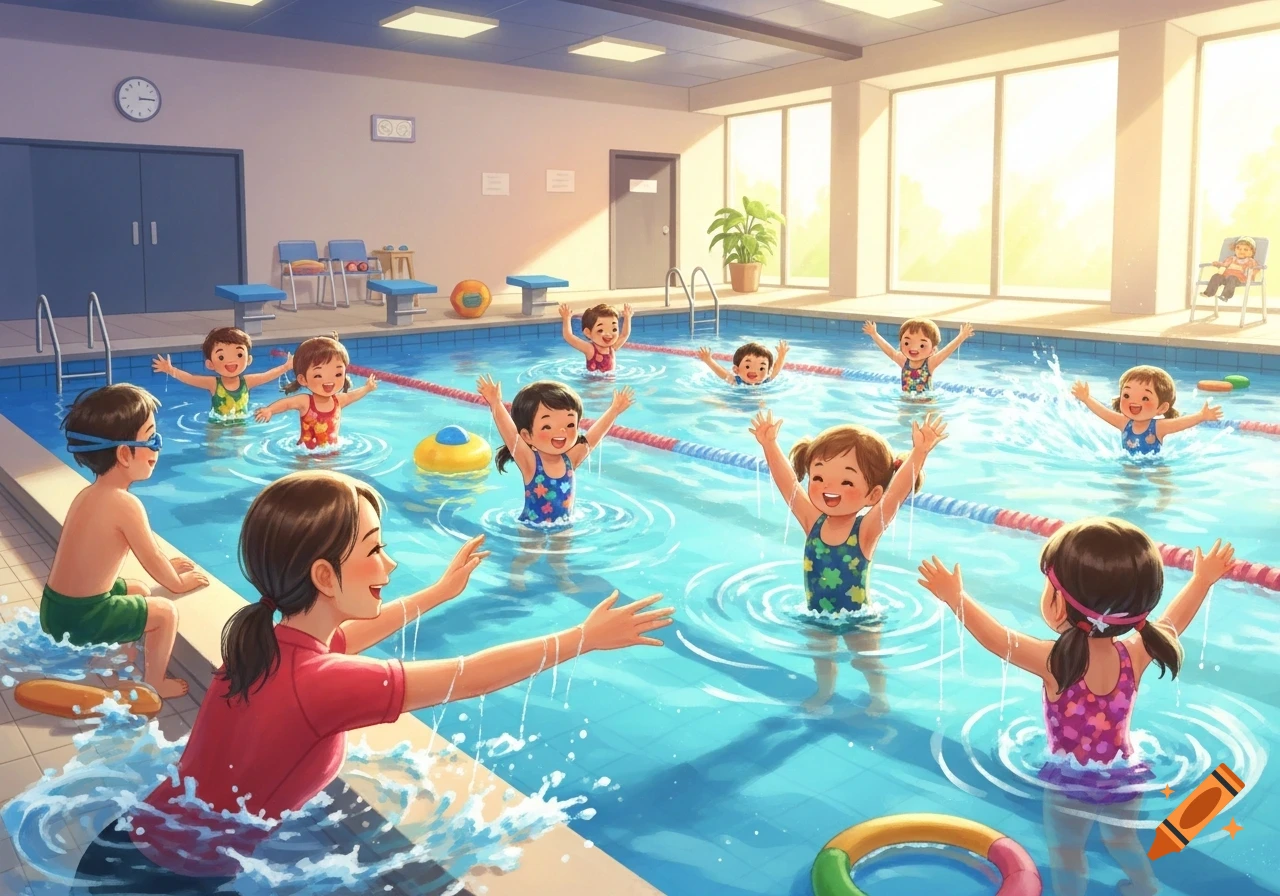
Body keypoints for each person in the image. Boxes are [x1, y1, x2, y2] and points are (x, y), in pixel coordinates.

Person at [72, 470, 673, 892]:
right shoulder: (323, 685)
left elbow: (349, 636)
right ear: (325, 577)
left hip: (127, 846)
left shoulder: (263, 643)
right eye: (375, 550)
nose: (388, 565)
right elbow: (467, 675)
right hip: (163, 884)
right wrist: (582, 639)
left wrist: (439, 593)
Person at [917, 518, 1236, 896]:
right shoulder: (1134, 653)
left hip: (1071, 782)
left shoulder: (1055, 662)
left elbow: (997, 640)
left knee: (1067, 853)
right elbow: (1172, 623)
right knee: (1123, 843)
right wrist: (1202, 580)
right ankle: (1145, 888)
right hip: (1123, 774)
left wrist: (956, 598)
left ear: (1058, 601)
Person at [751, 408, 948, 713]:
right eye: (818, 477)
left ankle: (878, 697)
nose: (829, 489)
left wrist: (919, 453)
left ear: (872, 494)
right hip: (817, 615)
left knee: (866, 661)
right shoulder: (811, 520)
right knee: (821, 658)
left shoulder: (866, 531)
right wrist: (769, 445)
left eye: (846, 482)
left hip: (860, 619)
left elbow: (895, 495)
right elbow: (788, 484)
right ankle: (824, 692)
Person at [42, 385, 208, 700]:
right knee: (165, 612)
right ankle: (155, 682)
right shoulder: (125, 504)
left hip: (57, 610)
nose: (158, 449)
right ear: (123, 453)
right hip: (80, 620)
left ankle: (118, 653)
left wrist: (165, 570)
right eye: (152, 440)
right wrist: (177, 583)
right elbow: (153, 560)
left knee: (139, 590)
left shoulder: (88, 495)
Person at [478, 377, 634, 527]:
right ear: (527, 435)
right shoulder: (530, 462)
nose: (561, 431)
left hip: (564, 525)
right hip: (532, 527)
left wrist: (614, 410)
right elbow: (512, 435)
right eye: (547, 426)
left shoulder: (570, 460)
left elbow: (593, 437)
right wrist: (496, 403)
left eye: (570, 424)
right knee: (529, 555)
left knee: (561, 554)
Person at [254, 333, 377, 451]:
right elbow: (287, 404)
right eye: (318, 375)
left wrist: (367, 388)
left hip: (332, 451)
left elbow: (352, 396)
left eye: (338, 374)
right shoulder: (306, 402)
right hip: (306, 453)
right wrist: (270, 410)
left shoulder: (338, 401)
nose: (329, 380)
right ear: (303, 379)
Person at [1071, 366, 1222, 457]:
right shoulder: (1124, 423)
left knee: (1163, 482)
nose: (1134, 402)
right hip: (1130, 465)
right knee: (1125, 485)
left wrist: (1201, 416)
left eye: (1145, 398)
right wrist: (1086, 399)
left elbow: (1180, 423)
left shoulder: (1157, 427)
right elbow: (1103, 412)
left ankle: (1164, 500)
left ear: (1162, 408)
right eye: (1127, 395)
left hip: (1155, 466)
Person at [151, 327, 292, 422]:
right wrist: (171, 370)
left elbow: (267, 375)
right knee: (215, 449)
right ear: (210, 364)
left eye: (238, 354)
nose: (231, 361)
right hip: (217, 423)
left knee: (238, 450)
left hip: (240, 423)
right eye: (221, 357)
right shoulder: (213, 384)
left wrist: (286, 366)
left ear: (248, 360)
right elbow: (191, 379)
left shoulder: (247, 382)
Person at [863, 319, 975, 397]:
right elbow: (889, 351)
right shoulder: (903, 361)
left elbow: (947, 351)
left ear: (933, 350)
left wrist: (961, 337)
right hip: (906, 400)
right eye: (907, 343)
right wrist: (874, 334)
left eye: (922, 345)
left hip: (926, 402)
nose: (914, 348)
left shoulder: (930, 364)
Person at [558, 303, 633, 373]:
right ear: (588, 332)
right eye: (600, 330)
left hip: (610, 381)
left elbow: (624, 335)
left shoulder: (612, 348)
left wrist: (627, 318)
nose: (608, 334)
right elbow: (569, 336)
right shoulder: (590, 349)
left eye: (614, 329)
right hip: (593, 383)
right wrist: (566, 318)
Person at [696, 340, 789, 386]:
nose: (754, 371)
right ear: (736, 369)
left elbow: (776, 368)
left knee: (762, 404)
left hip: (757, 401)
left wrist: (782, 355)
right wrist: (708, 360)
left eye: (761, 368)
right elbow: (723, 374)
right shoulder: (736, 381)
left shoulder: (765, 380)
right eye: (748, 366)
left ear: (768, 371)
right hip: (738, 401)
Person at [1202, 236, 1260, 302]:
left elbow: (1255, 269)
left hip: (1239, 279)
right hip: (1225, 278)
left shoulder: (1250, 261)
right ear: (1234, 249)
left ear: (1251, 252)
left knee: (1232, 278)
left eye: (1245, 249)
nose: (1241, 251)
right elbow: (1224, 264)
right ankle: (1209, 292)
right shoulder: (1231, 259)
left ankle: (1225, 296)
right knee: (1216, 276)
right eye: (1238, 248)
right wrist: (1218, 264)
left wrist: (1251, 273)